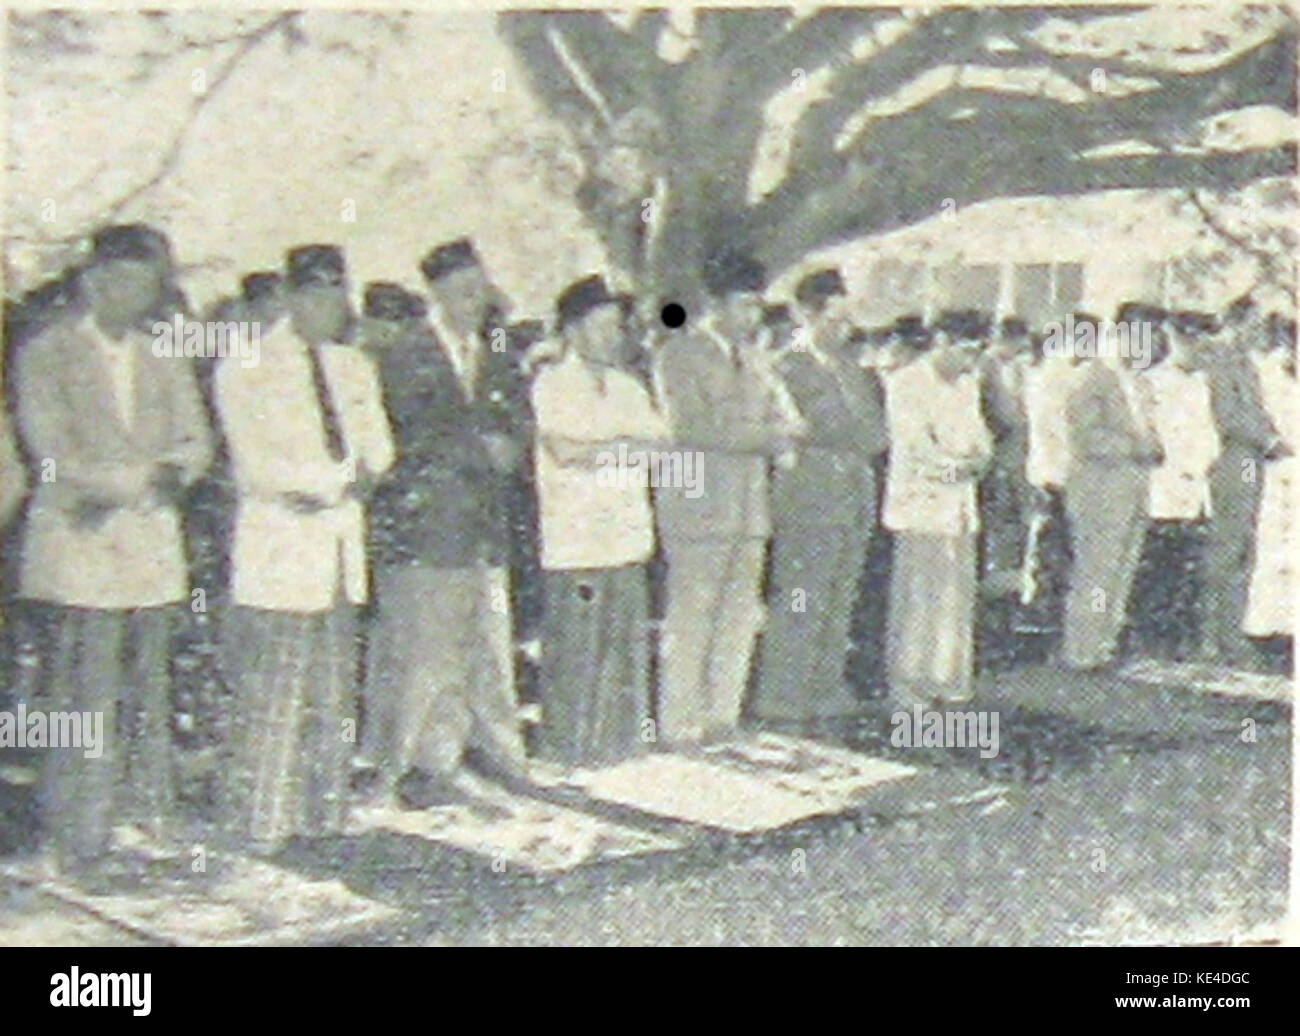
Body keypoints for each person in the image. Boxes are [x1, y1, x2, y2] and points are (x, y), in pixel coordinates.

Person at [13, 224, 213, 873]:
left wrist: (176, 472)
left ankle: (145, 817)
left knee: (147, 688)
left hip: (150, 545)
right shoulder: (47, 352)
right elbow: (50, 454)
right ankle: (77, 833)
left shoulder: (164, 353)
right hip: (84, 547)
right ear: (92, 280)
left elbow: (196, 440)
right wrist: (136, 480)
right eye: (123, 281)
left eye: (148, 285)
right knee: (83, 694)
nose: (136, 296)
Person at [215, 244, 392, 852]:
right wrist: (327, 482)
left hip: (341, 543)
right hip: (281, 547)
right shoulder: (247, 366)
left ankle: (325, 814)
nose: (330, 306)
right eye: (315, 295)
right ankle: (259, 823)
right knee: (273, 692)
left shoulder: (354, 366)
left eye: (338, 294)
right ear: (290, 297)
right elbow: (257, 468)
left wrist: (353, 479)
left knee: (333, 688)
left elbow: (378, 450)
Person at [366, 239, 528, 802]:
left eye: (480, 292)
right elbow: (413, 433)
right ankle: (419, 766)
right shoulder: (407, 353)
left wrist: (510, 445)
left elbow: (514, 416)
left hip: (484, 523)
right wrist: (482, 451)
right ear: (435, 295)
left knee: (486, 643)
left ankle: (489, 752)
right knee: (430, 652)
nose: (474, 303)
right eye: (461, 293)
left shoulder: (493, 352)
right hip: (430, 525)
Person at [654, 250, 804, 745]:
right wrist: (764, 436)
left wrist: (770, 431)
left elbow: (791, 421)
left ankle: (722, 716)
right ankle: (680, 723)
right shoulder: (680, 352)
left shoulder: (759, 359)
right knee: (693, 616)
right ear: (716, 305)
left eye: (757, 307)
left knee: (739, 617)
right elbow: (692, 428)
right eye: (742, 306)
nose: (752, 317)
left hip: (748, 508)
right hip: (698, 505)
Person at [530, 275, 670, 766]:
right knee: (576, 648)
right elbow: (565, 450)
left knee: (623, 646)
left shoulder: (628, 387)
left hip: (625, 535)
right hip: (576, 538)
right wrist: (623, 449)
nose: (614, 336)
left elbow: (659, 448)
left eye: (617, 326)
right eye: (603, 326)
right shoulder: (552, 383)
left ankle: (619, 748)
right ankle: (568, 749)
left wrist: (606, 451)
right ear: (572, 331)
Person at [751, 267, 886, 721]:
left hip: (852, 495)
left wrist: (847, 434)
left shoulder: (852, 367)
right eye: (834, 318)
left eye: (848, 319)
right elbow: (822, 427)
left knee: (838, 599)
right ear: (806, 314)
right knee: (800, 600)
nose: (843, 328)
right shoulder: (787, 366)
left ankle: (824, 689)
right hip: (811, 497)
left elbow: (876, 433)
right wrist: (845, 434)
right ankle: (783, 697)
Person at [881, 310, 992, 707]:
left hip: (960, 505)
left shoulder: (968, 384)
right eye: (965, 350)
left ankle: (947, 678)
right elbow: (915, 448)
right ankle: (908, 684)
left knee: (955, 596)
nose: (972, 360)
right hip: (920, 505)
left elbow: (981, 440)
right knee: (918, 598)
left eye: (978, 351)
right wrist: (956, 469)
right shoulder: (907, 382)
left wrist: (975, 463)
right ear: (942, 341)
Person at [1060, 307, 1163, 671]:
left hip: (1134, 486)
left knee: (1122, 571)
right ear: (1121, 334)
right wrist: (1135, 448)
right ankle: (1081, 650)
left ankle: (1105, 644)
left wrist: (1154, 446)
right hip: (1100, 488)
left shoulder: (1141, 384)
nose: (1149, 344)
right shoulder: (1094, 379)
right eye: (1142, 334)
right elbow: (1086, 438)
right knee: (1096, 572)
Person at [1130, 312, 1221, 660]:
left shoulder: (1200, 382)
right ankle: (1149, 639)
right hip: (1164, 485)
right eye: (1195, 342)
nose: (1200, 350)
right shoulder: (1153, 381)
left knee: (1188, 564)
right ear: (1178, 341)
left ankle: (1177, 639)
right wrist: (1177, 464)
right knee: (1158, 563)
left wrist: (1202, 463)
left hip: (1196, 485)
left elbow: (1208, 431)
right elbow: (1153, 436)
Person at [1201, 297, 1279, 664]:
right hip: (1232, 457)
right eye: (1254, 323)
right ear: (1235, 322)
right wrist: (1270, 440)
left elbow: (1257, 412)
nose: (1259, 330)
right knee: (1226, 547)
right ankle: (1214, 637)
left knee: (1244, 548)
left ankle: (1232, 633)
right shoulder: (1218, 359)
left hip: (1252, 459)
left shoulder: (1247, 363)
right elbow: (1229, 416)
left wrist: (1274, 436)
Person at [1242, 316, 1296, 642]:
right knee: (1272, 547)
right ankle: (1264, 626)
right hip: (1278, 468)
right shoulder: (1268, 373)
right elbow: (1257, 413)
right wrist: (1273, 441)